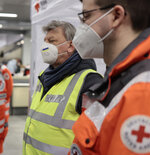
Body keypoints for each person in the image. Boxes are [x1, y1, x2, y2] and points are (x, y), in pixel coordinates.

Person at [70, 0, 150, 154]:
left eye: (86, 16)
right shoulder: (120, 77)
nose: (82, 25)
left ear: (116, 16)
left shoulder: (141, 90)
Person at [23, 20, 102, 154]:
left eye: (52, 41)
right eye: (45, 41)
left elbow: (97, 136)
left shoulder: (89, 81)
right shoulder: (44, 77)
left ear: (71, 45)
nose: (45, 46)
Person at [0, 61, 13, 153]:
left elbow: (9, 88)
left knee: (2, 129)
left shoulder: (3, 70)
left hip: (3, 106)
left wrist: (3, 99)